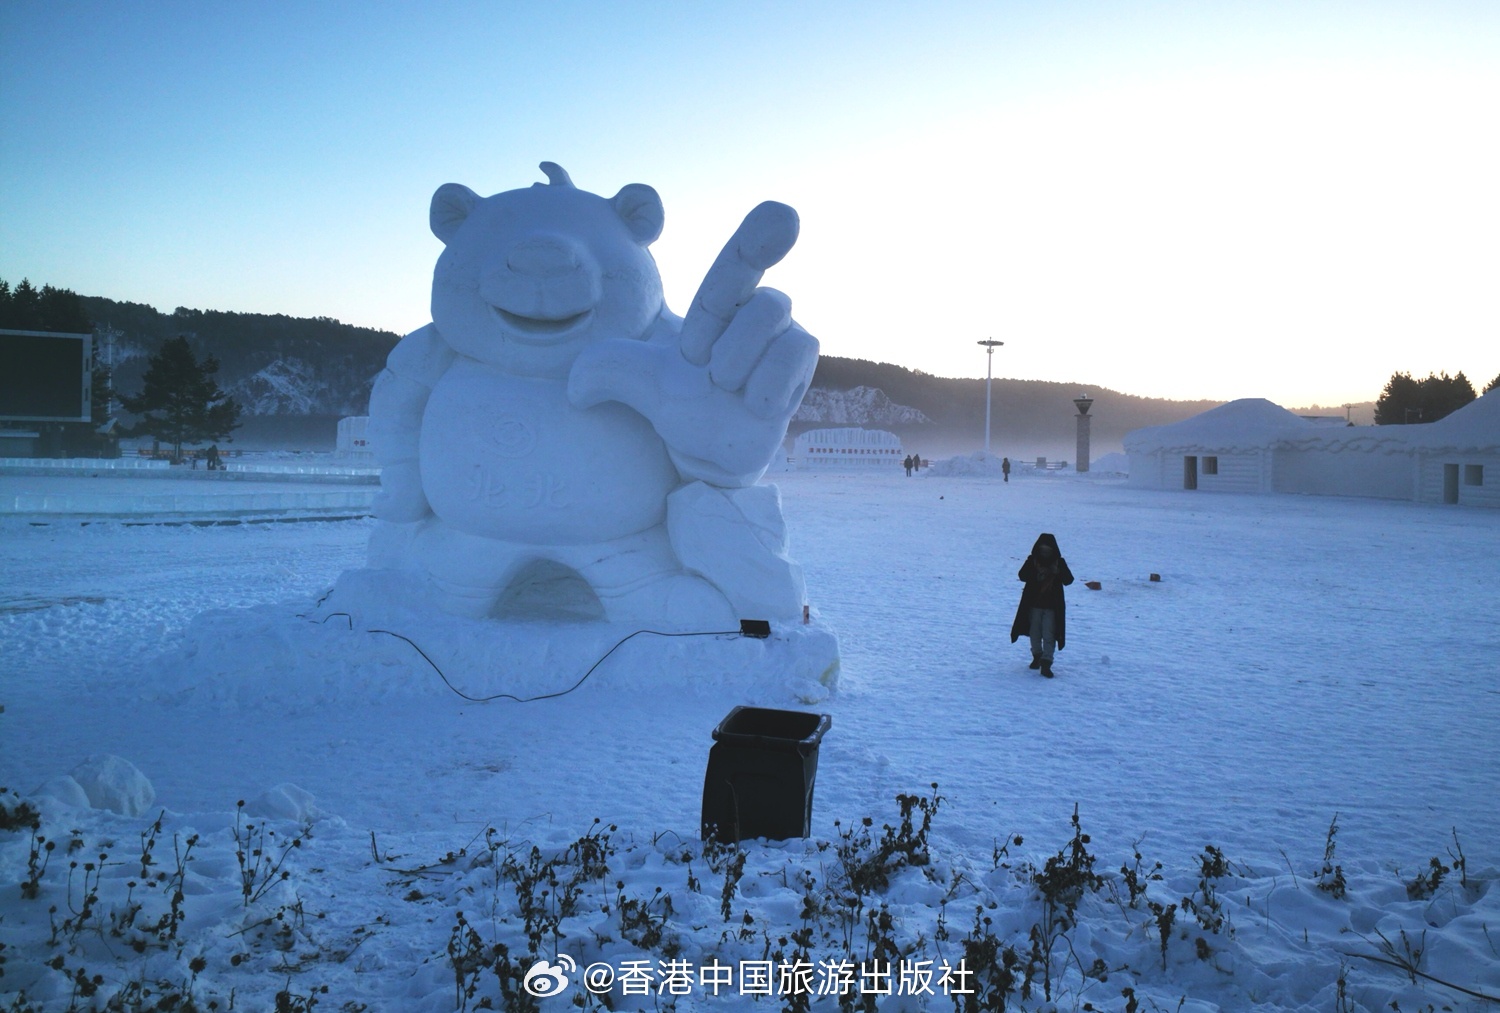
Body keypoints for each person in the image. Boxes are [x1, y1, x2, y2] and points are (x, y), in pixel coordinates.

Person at [1009, 532, 1074, 678]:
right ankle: (1037, 656)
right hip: (1034, 605)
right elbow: (1022, 575)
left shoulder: (1059, 562)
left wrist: (1058, 572)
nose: (1045, 553)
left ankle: (1046, 662)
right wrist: (1036, 574)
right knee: (1034, 633)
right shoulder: (1032, 561)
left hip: (1052, 607)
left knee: (1049, 634)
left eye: (1048, 550)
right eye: (1043, 550)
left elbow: (1069, 580)